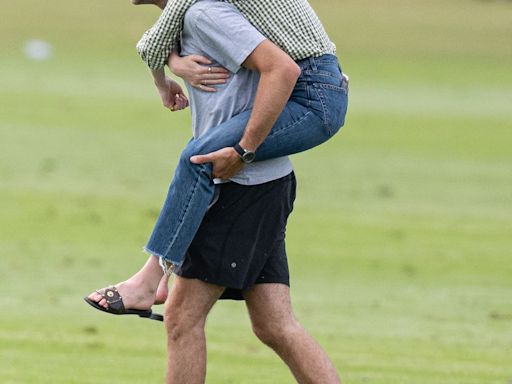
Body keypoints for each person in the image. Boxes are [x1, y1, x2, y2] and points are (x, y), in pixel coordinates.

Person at [85, 0, 348, 318]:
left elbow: (153, 41)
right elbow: (159, 35)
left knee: (198, 158)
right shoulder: (199, 11)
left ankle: (149, 282)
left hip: (312, 95)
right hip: (315, 83)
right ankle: (157, 277)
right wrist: (176, 64)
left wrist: (243, 150)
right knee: (274, 327)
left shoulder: (203, 10)